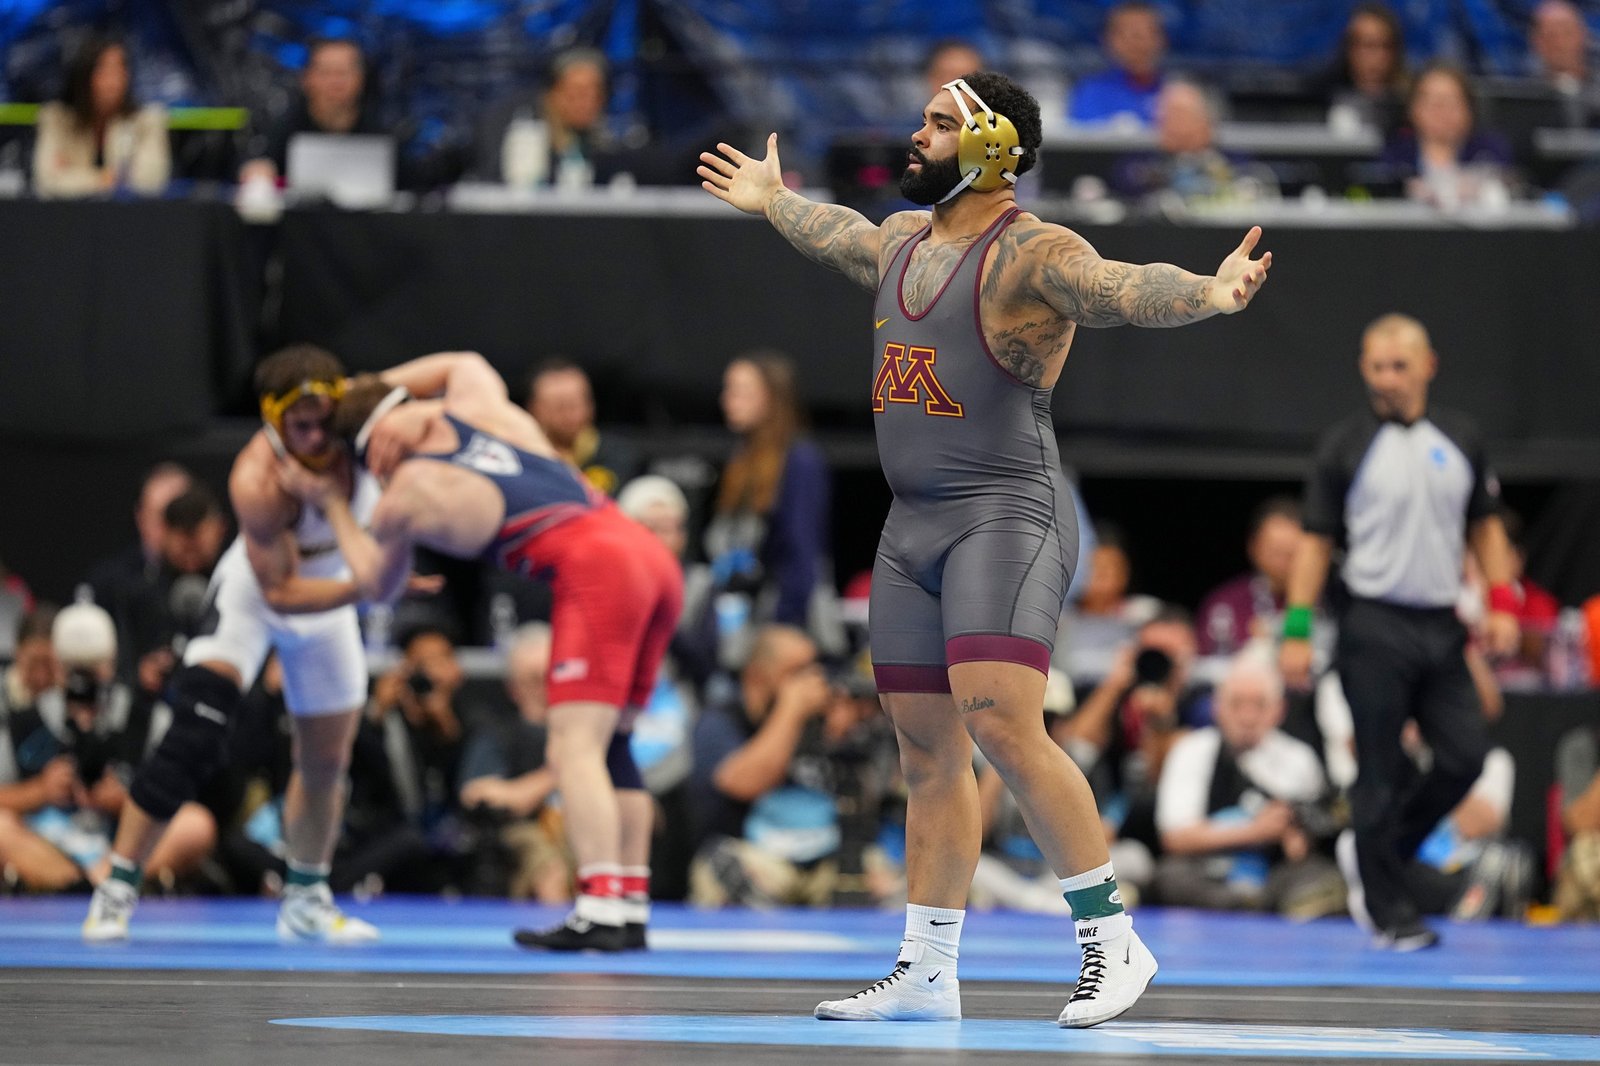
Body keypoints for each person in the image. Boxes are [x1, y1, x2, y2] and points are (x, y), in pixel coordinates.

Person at [698, 69, 1269, 1025]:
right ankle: (927, 968)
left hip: (1006, 512)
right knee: (927, 747)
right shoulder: (900, 243)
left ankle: (1111, 939)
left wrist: (1210, 292)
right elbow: (833, 230)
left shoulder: (1030, 253)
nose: (914, 136)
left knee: (1001, 719)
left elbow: (1120, 288)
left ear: (993, 146)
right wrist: (774, 201)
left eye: (935, 123)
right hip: (910, 524)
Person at [277, 351, 683, 952]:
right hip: (649, 558)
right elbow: (463, 360)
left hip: (598, 571)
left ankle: (598, 905)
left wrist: (333, 505)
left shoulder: (403, 497)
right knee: (614, 742)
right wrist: (388, 393)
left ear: (370, 454)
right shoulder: (480, 407)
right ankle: (628, 902)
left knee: (575, 747)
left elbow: (377, 585)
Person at [81, 345, 385, 944]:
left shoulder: (366, 431)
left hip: (334, 591)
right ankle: (117, 886)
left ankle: (305, 897)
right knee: (194, 731)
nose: (320, 435)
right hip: (263, 594)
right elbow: (283, 591)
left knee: (326, 762)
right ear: (274, 423)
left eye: (328, 418)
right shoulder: (256, 479)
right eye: (302, 425)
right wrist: (371, 581)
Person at [1279, 312, 1519, 950]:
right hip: (1373, 622)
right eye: (1376, 366)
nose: (1386, 378)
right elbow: (1314, 542)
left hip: (1442, 623)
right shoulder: (1345, 446)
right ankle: (1390, 911)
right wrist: (1297, 629)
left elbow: (1486, 526)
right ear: (1364, 368)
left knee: (1466, 755)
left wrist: (1501, 602)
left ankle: (1377, 852)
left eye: (1399, 366)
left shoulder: (1461, 438)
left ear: (1427, 366)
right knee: (1378, 768)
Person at [1153, 650, 1343, 917]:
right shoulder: (1193, 750)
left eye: (1260, 705)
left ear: (1279, 709)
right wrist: (1256, 831)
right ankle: (1244, 902)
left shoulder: (1299, 758)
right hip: (1211, 869)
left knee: (1322, 877)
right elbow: (1176, 838)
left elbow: (1310, 838)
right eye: (1237, 704)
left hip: (1274, 873)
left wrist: (1298, 840)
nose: (1248, 717)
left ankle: (1262, 901)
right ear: (1217, 706)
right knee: (1170, 875)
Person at [706, 352, 835, 641]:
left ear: (770, 398)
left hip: (784, 622)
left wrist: (785, 624)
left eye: (739, 391)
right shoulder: (741, 461)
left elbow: (802, 550)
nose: (727, 400)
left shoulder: (800, 460)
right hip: (741, 623)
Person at [33, 35, 169, 198]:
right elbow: (48, 181)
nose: (114, 81)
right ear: (85, 74)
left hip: (127, 219)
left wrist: (73, 175)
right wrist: (109, 179)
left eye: (120, 69)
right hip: (66, 218)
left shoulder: (147, 120)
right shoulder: (57, 118)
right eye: (104, 70)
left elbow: (150, 181)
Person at [240, 37, 384, 185]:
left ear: (361, 79)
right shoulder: (282, 130)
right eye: (326, 72)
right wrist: (257, 172)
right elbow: (251, 166)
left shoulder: (382, 135)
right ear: (306, 78)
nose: (335, 82)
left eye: (343, 73)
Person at [1379, 63, 1513, 209]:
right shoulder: (1396, 151)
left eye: (1451, 102)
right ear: (1413, 109)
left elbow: (1507, 188)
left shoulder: (1491, 150)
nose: (1442, 112)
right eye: (1433, 103)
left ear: (1469, 109)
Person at [1196, 497, 1302, 656]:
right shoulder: (1225, 604)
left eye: (1291, 553)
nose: (1283, 563)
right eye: (1276, 552)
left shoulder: (1328, 602)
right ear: (1253, 547)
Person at [525, 359, 641, 496]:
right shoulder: (523, 460)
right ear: (534, 409)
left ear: (591, 404)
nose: (569, 416)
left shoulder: (620, 455)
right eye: (559, 407)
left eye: (575, 404)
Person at [1068, 2, 1168, 127]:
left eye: (1146, 32)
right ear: (1107, 40)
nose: (1137, 43)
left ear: (1162, 39)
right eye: (1127, 33)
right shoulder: (1091, 91)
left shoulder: (1176, 91)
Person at [1319, 3, 1410, 133]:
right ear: (1350, 49)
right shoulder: (1323, 97)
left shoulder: (1410, 106)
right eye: (1369, 45)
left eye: (1386, 46)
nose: (1378, 56)